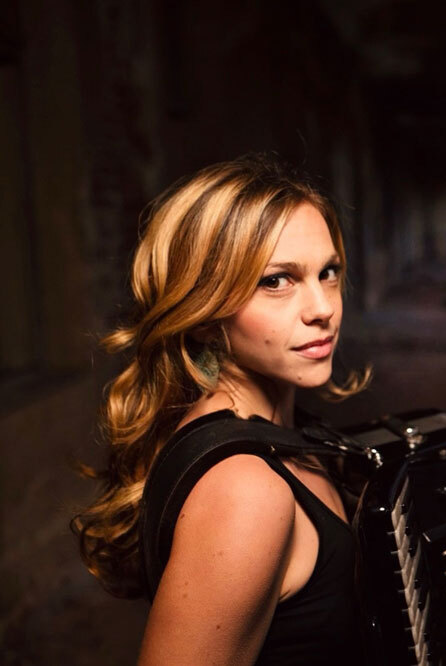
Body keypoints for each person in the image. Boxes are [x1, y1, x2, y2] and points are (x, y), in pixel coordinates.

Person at [72, 155, 368, 665]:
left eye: (328, 272)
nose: (323, 308)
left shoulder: (276, 439)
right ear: (205, 312)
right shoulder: (245, 490)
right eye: (276, 281)